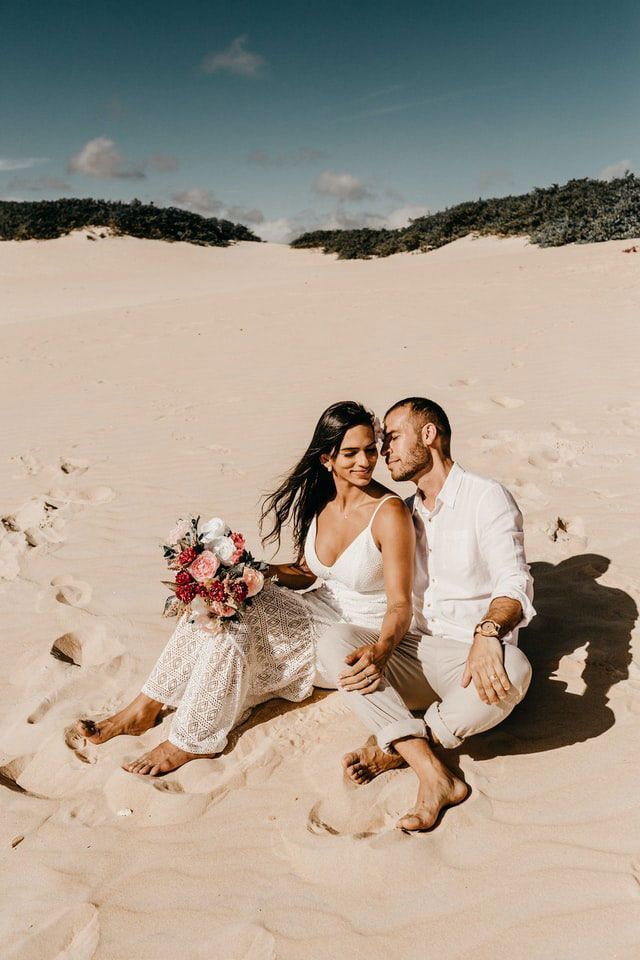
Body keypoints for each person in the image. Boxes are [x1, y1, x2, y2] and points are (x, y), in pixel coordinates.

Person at [75, 401, 416, 778]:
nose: (365, 462)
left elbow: (401, 604)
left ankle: (188, 740)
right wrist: (243, 570)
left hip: (348, 636)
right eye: (350, 453)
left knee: (233, 617)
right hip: (315, 608)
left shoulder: (389, 512)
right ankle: (144, 707)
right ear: (326, 459)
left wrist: (381, 651)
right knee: (221, 600)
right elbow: (307, 572)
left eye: (370, 450)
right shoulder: (324, 502)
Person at [317, 397, 535, 831]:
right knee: (334, 643)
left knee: (517, 669)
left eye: (392, 438)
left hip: (471, 660)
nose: (384, 452)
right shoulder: (405, 511)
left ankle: (396, 742)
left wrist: (488, 633)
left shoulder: (484, 497)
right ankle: (429, 767)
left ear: (429, 435)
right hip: (414, 653)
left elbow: (515, 581)